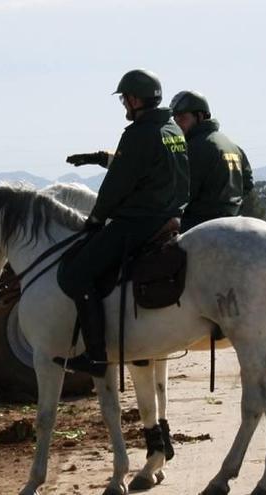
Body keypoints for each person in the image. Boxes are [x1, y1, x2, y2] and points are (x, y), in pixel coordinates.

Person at [56, 69, 190, 378]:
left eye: (124, 100)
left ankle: (96, 357)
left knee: (77, 273)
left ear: (134, 99)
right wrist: (98, 157)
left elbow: (117, 185)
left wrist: (96, 219)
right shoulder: (172, 130)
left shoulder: (139, 133)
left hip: (139, 221)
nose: (124, 107)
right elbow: (143, 163)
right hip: (172, 216)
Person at [169, 90, 254, 232]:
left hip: (200, 222)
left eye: (182, 118)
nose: (178, 125)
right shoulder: (233, 146)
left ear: (200, 116)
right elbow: (248, 183)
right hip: (234, 217)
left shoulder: (195, 147)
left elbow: (184, 193)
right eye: (175, 120)